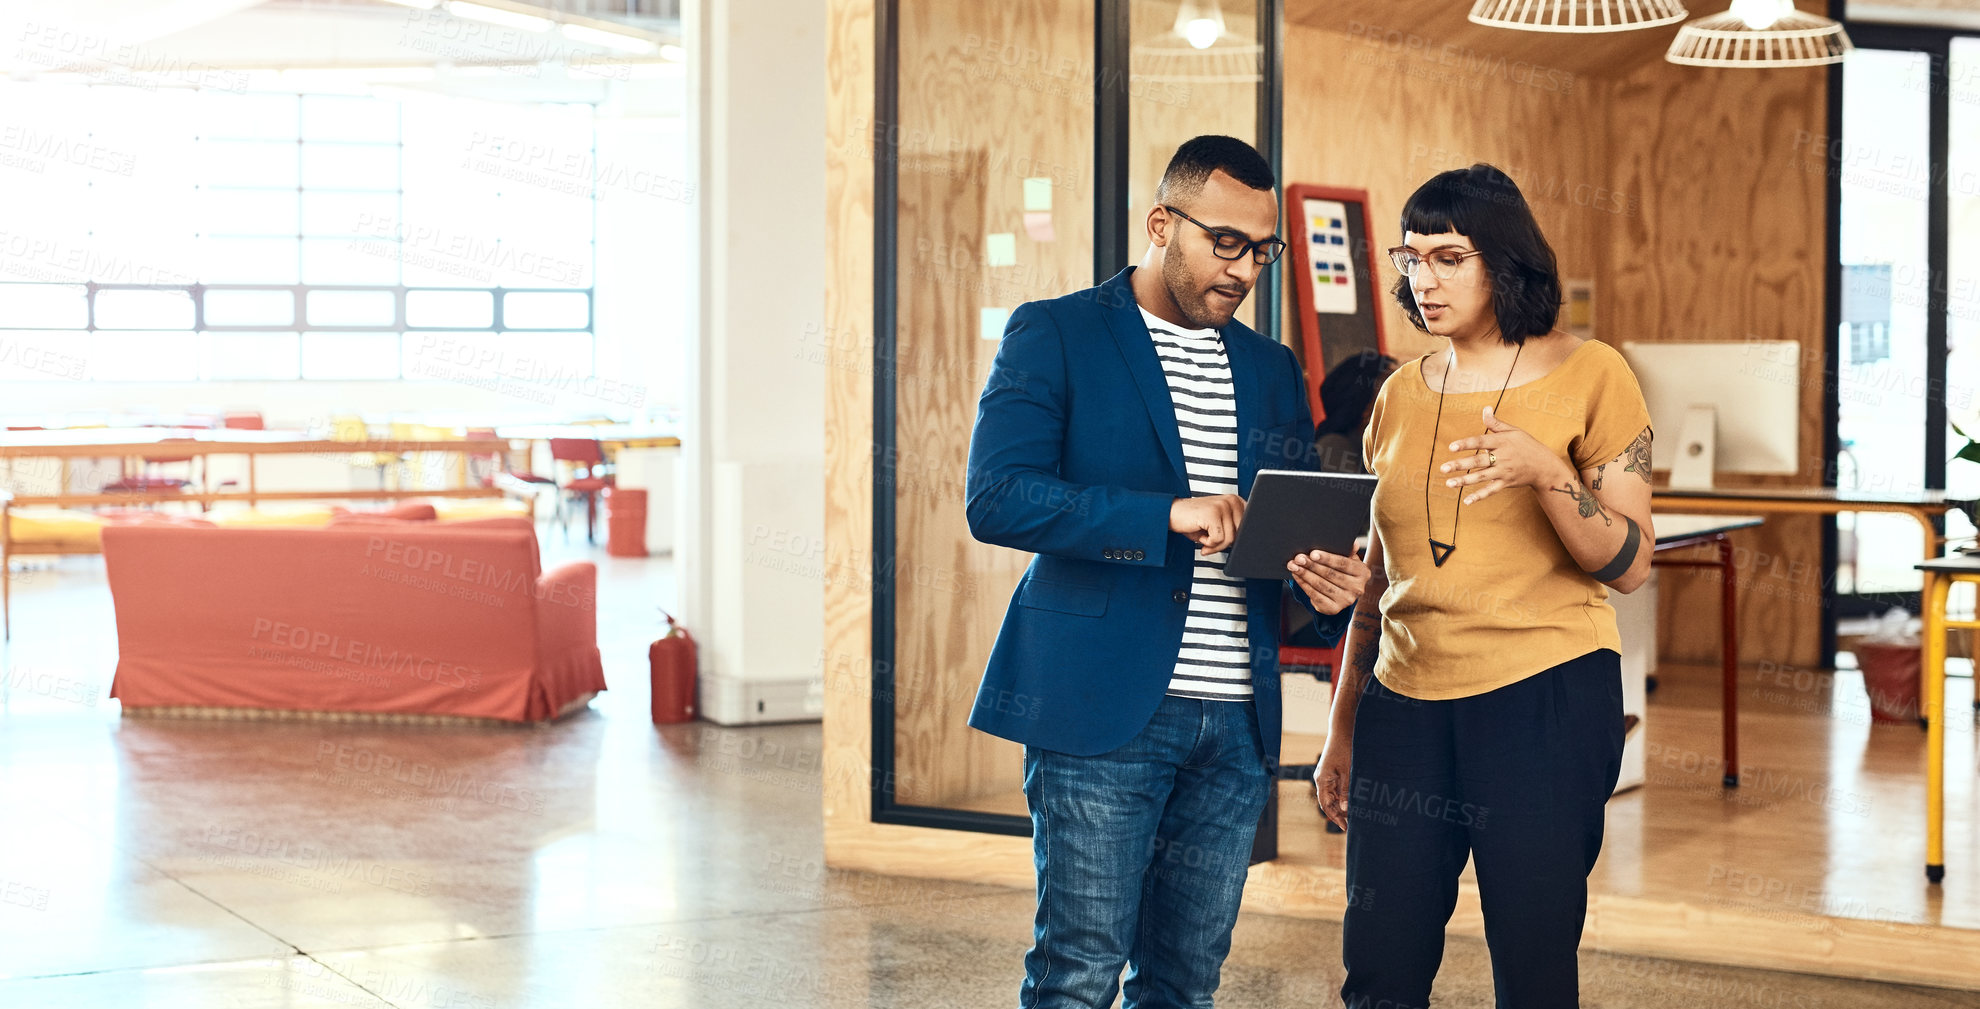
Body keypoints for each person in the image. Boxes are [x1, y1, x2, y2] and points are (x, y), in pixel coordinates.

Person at [964, 135, 1371, 1009]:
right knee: (1077, 972)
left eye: (1263, 249)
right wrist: (1163, 514)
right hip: (1100, 715)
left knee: (1187, 983)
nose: (1245, 268)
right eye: (1226, 242)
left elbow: (1279, 539)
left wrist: (1324, 585)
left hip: (1236, 727)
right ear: (1161, 223)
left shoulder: (1271, 368)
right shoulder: (1058, 331)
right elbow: (998, 496)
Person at [1312, 163, 1655, 1009]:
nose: (1421, 278)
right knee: (1379, 969)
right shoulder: (1394, 397)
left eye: (1448, 256)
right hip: (1403, 704)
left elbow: (1632, 561)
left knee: (1533, 969)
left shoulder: (1594, 373)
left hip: (1542, 698)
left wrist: (1545, 472)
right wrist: (1341, 729)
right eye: (1410, 256)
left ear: (1504, 260)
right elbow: (1382, 582)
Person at [1284, 350, 1396, 648]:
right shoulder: (1336, 450)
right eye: (1391, 393)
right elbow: (1344, 535)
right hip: (1323, 616)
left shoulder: (1372, 453)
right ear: (1365, 407)